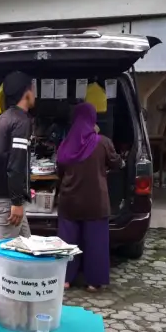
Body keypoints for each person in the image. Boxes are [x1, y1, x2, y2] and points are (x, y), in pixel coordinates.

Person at [56, 102, 124, 292]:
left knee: (67, 243)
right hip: (96, 202)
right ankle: (93, 282)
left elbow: (59, 169)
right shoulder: (102, 142)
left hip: (70, 201)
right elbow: (117, 163)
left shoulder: (66, 143)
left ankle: (65, 280)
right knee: (96, 243)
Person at [0, 71, 36, 294]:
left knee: (27, 243)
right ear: (26, 92)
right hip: (7, 199)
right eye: (33, 88)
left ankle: (24, 289)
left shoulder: (0, 120)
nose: (35, 93)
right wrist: (15, 201)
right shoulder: (21, 121)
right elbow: (16, 164)